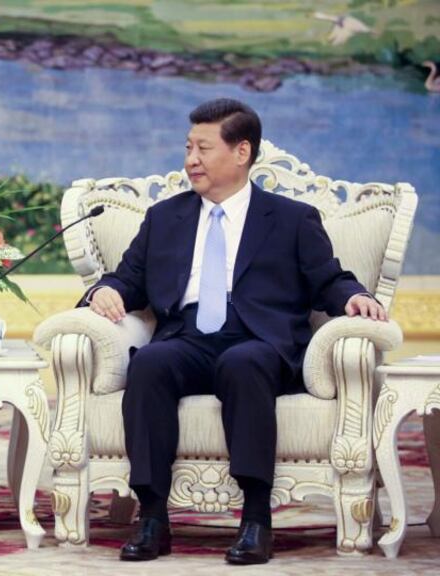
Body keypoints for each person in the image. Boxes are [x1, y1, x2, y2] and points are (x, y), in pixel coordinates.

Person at [79, 99, 387, 565]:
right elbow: (128, 279)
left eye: (203, 148)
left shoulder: (290, 218)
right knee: (149, 364)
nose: (190, 160)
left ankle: (256, 519)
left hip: (257, 341)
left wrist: (352, 297)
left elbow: (327, 278)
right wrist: (104, 290)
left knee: (243, 364)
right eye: (188, 148)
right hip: (186, 338)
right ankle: (153, 518)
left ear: (241, 152)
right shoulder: (165, 218)